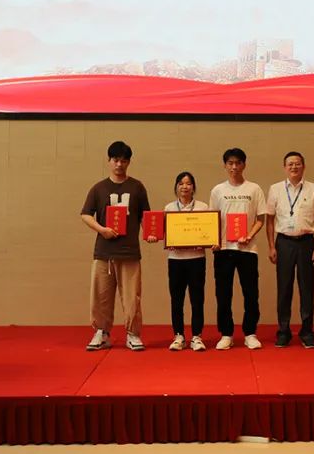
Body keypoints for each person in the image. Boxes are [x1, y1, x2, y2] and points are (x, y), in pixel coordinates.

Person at [80, 140, 151, 352]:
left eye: (124, 160)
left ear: (129, 162)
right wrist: (101, 229)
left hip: (129, 252)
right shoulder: (99, 188)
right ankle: (101, 332)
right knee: (100, 295)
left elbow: (146, 216)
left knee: (132, 296)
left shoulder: (137, 187)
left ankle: (133, 334)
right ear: (109, 161)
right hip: (104, 252)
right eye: (116, 160)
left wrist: (150, 233)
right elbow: (85, 214)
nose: (119, 164)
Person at [266, 151, 314, 348]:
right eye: (290, 164)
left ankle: (307, 332)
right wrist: (271, 246)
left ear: (304, 166)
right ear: (285, 167)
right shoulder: (275, 189)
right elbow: (269, 219)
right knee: (284, 288)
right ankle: (283, 332)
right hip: (284, 243)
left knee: (307, 288)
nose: (294, 167)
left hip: (306, 243)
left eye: (298, 163)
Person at [208, 148, 267, 350]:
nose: (234, 167)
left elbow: (261, 218)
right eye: (230, 163)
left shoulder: (254, 189)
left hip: (247, 249)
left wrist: (249, 235)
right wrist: (214, 240)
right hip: (223, 249)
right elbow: (212, 220)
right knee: (223, 294)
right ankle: (226, 334)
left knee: (251, 293)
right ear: (225, 165)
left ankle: (250, 333)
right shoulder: (218, 190)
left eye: (238, 163)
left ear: (244, 165)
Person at [161, 172, 209, 352]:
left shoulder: (203, 207)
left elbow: (208, 231)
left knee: (197, 299)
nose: (185, 187)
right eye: (181, 183)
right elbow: (165, 233)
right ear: (176, 187)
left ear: (193, 187)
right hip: (176, 260)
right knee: (177, 299)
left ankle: (197, 336)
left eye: (188, 183)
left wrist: (209, 240)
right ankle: (179, 336)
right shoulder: (169, 208)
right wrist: (160, 238)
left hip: (197, 259)